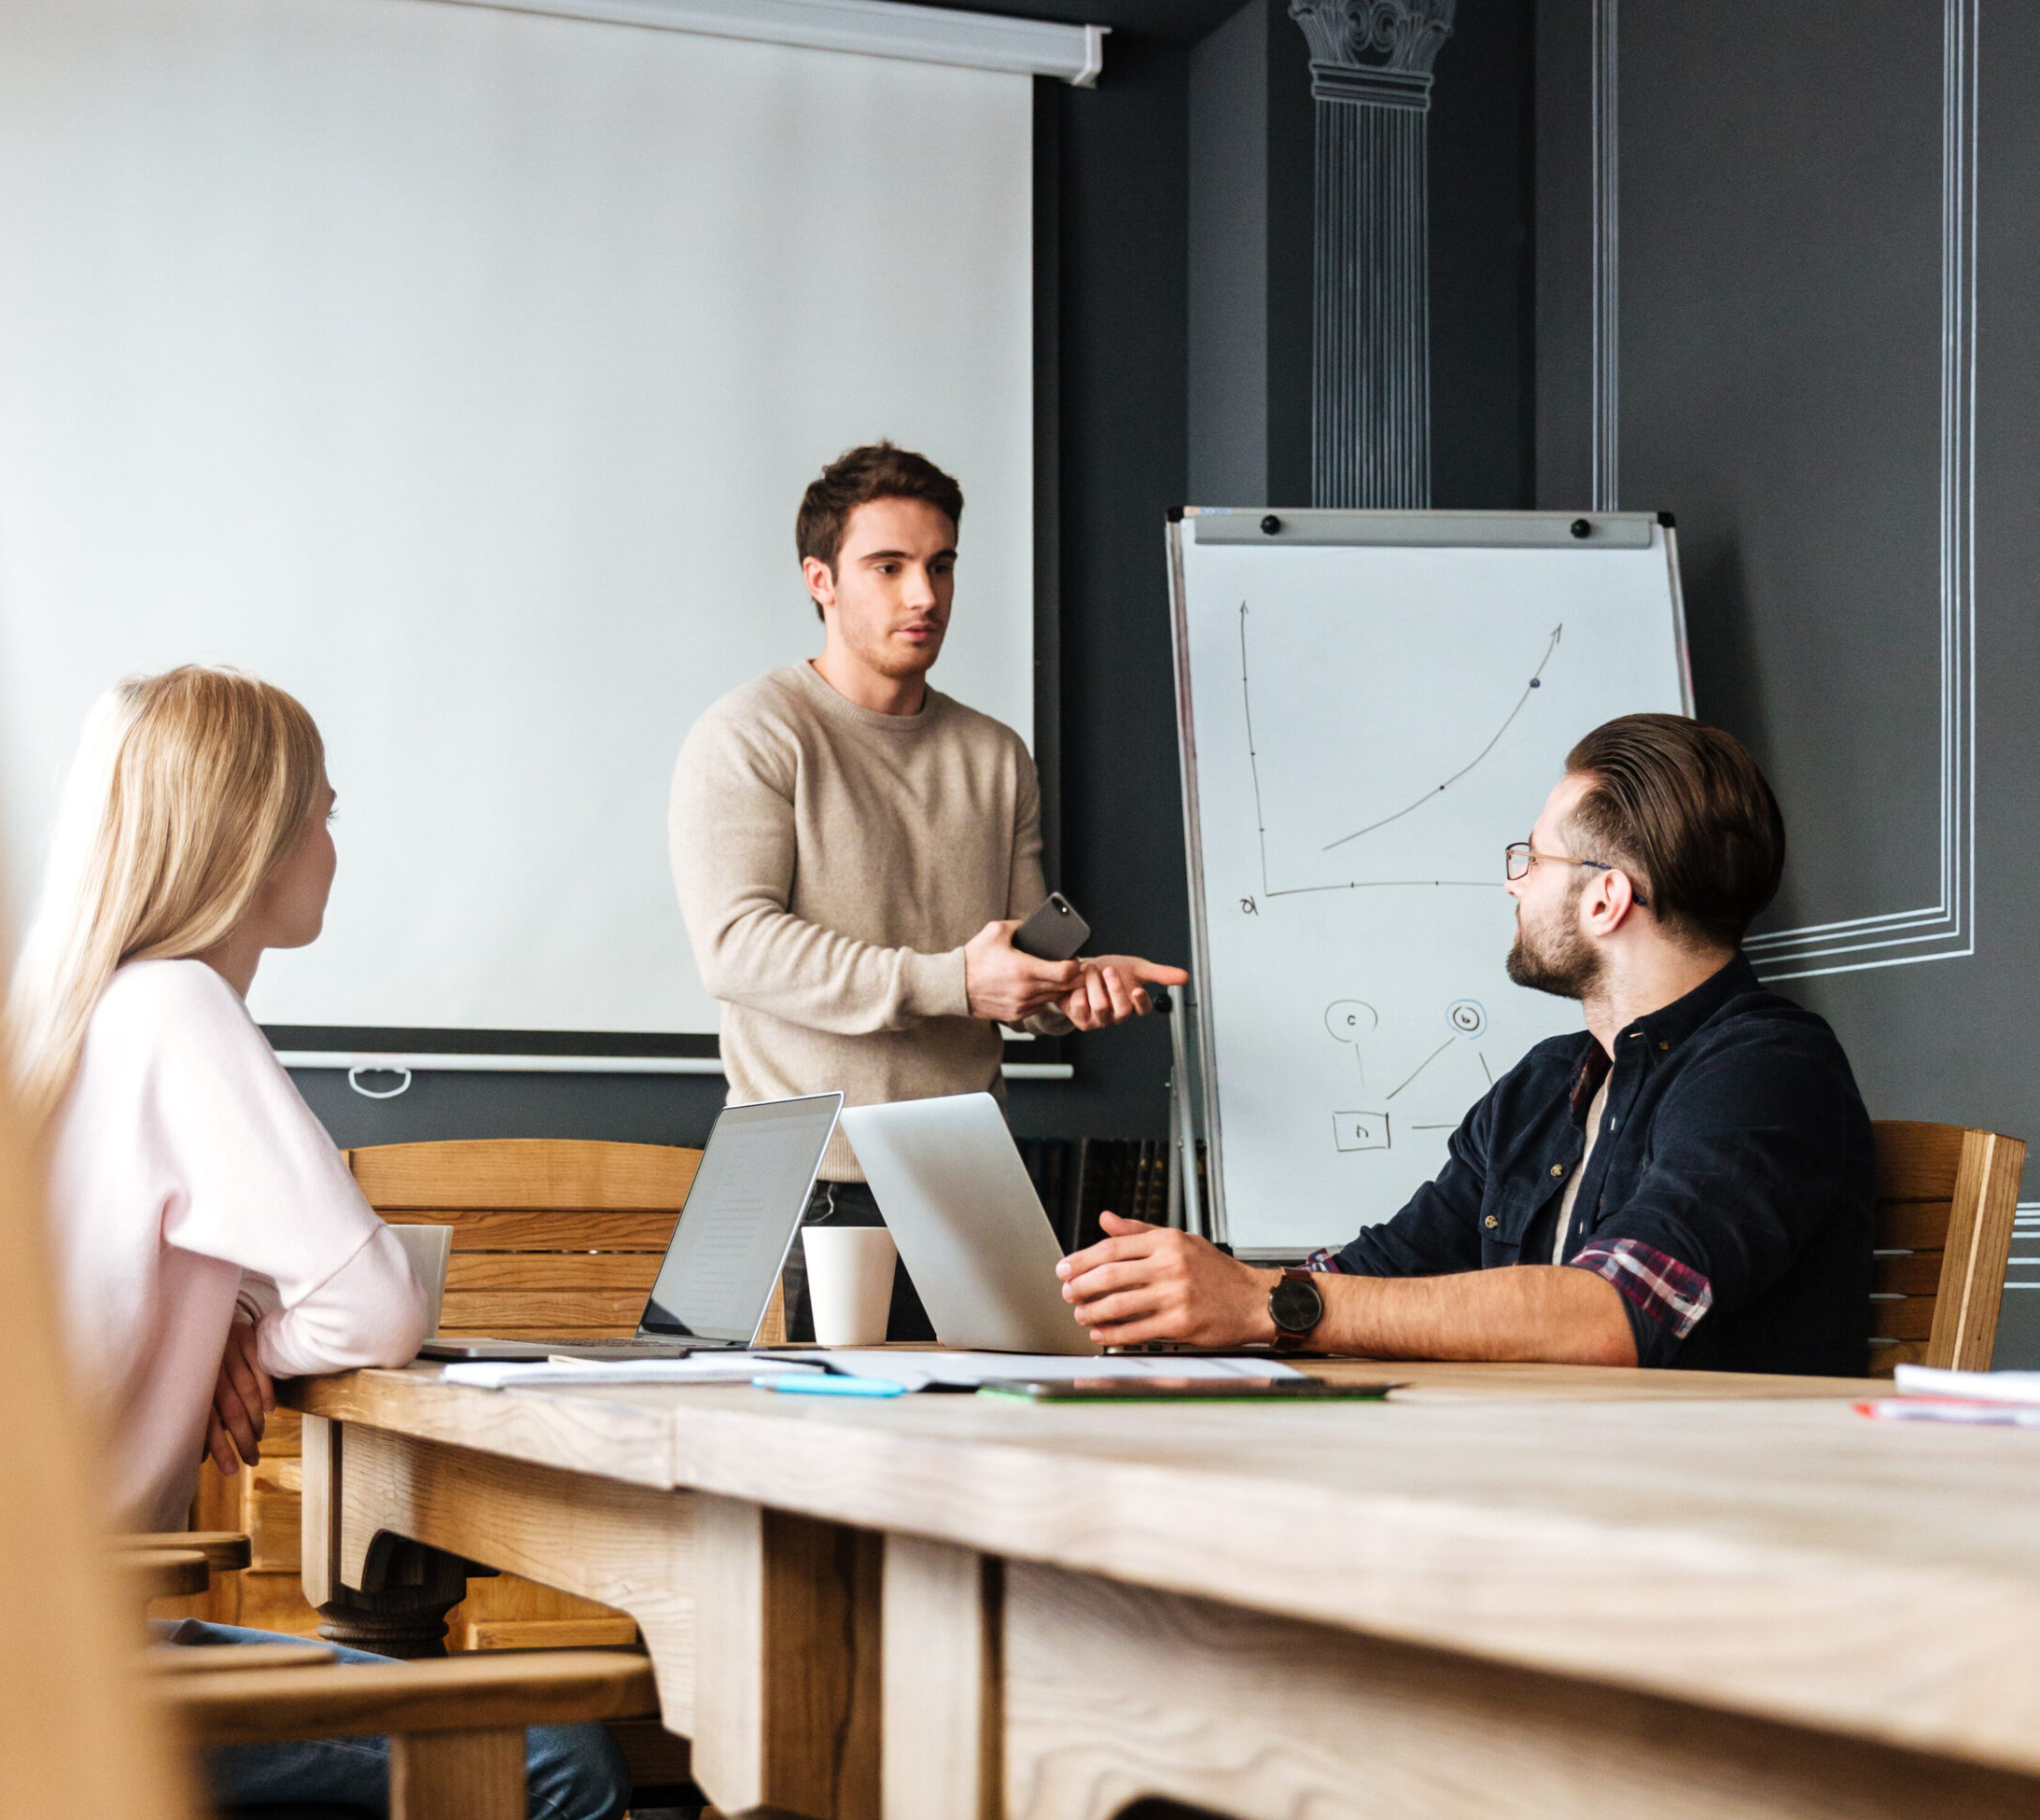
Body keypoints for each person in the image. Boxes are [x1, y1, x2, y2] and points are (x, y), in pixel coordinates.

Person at [8, 665, 628, 1820]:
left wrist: (239, 1319)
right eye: (324, 813)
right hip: (62, 1677)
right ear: (253, 835)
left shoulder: (79, 1017)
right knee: (562, 1763)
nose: (335, 845)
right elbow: (373, 1304)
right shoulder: (177, 1008)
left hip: (1, 1652)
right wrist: (260, 1334)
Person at [1056, 713, 1874, 1378]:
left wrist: (1266, 1304)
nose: (1514, 882)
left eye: (1533, 859)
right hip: (1530, 1478)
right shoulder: (1547, 1083)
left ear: (1606, 900)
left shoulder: (1767, 1072)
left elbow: (1615, 1313)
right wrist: (1197, 1296)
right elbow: (1386, 1269)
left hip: (1696, 1520)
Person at [669, 441, 1186, 1344]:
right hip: (806, 1180)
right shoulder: (750, 734)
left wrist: (1071, 988)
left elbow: (1013, 966)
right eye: (890, 567)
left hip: (962, 1175)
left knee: (985, 1454)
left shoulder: (994, 754)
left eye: (940, 565)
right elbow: (737, 948)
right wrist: (955, 981)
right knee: (818, 1471)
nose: (925, 595)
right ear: (819, 579)